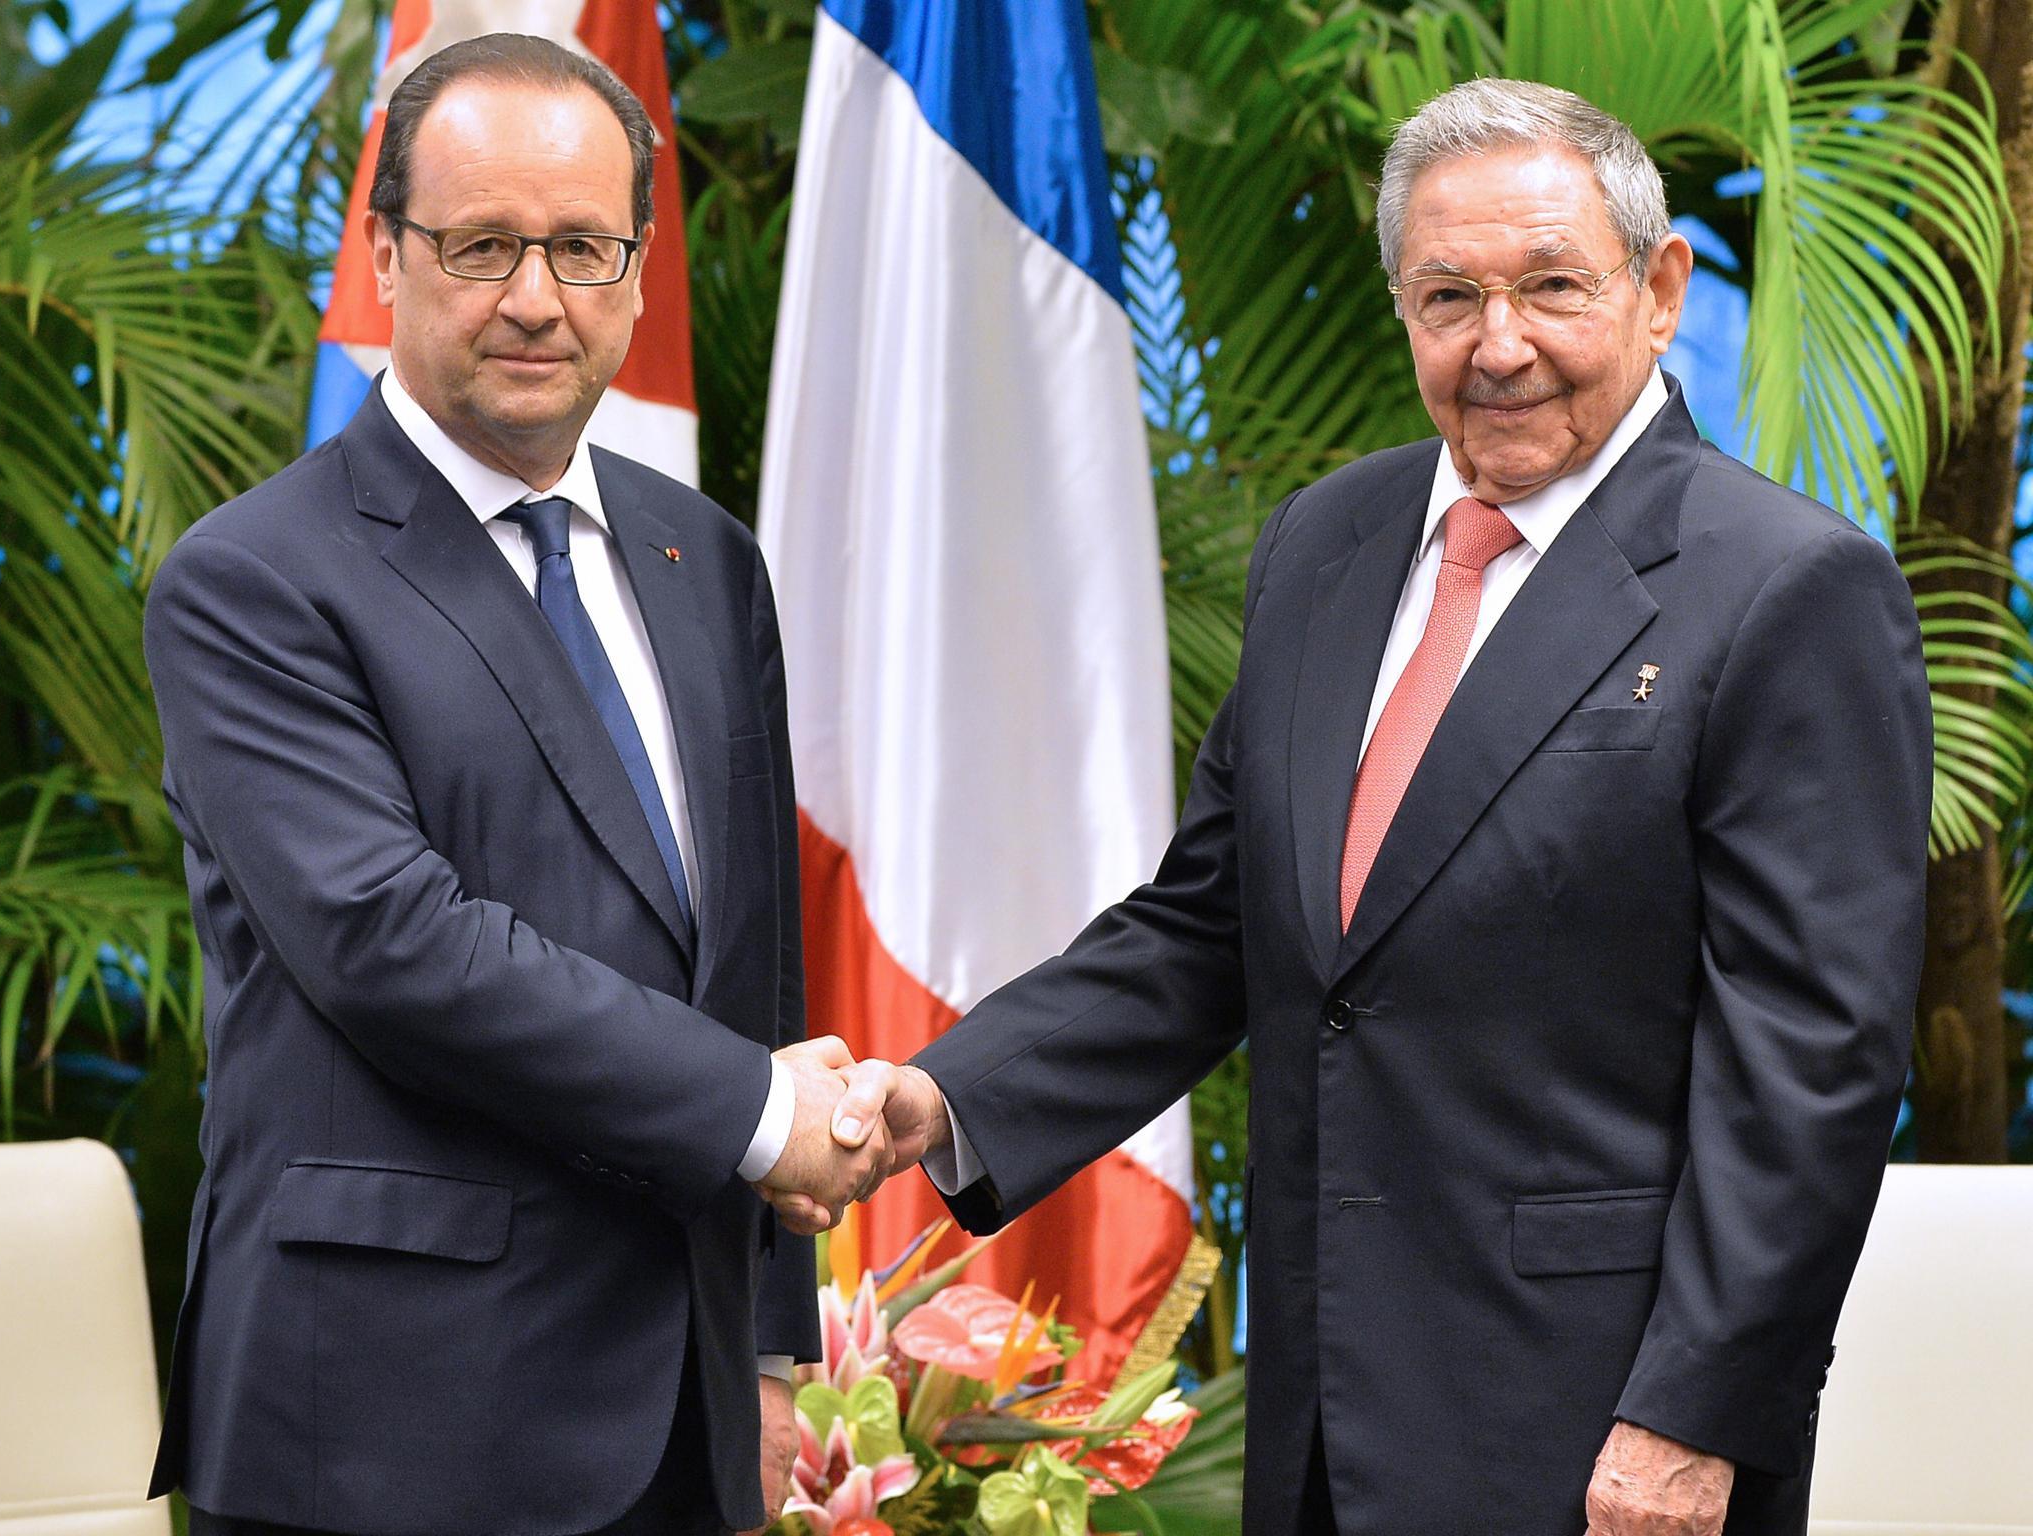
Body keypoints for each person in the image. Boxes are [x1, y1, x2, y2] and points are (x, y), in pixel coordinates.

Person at [793, 78, 1931, 1536]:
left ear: (1659, 291)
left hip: (1605, 1442)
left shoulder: (1783, 589)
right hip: (1324, 1415)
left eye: (1550, 287)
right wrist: (945, 1095)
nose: (1498, 343)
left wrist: (1692, 1416)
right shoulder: (1326, 541)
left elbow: (1811, 1065)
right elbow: (1210, 927)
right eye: (1448, 294)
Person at [141, 34, 888, 1536]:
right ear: (387, 253)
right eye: (483, 244)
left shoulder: (703, 560)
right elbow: (392, 943)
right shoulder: (253, 580)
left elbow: (741, 961)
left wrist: (767, 1336)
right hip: (380, 1431)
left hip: (677, 1426)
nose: (536, 298)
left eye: (582, 247)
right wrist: (758, 1112)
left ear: (637, 264)